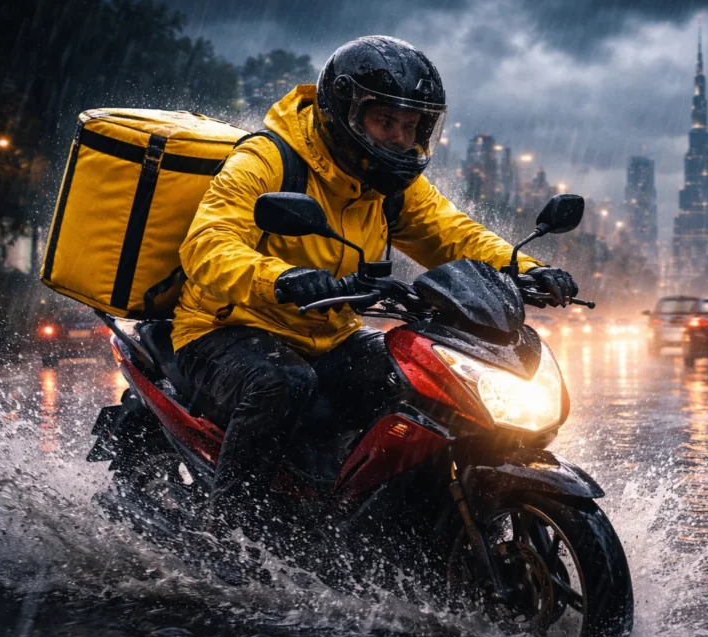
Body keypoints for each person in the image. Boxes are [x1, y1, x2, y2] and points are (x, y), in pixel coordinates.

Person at [170, 36, 578, 531]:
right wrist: (283, 278)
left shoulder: (388, 186)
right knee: (282, 383)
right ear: (344, 112)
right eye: (386, 121)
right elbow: (208, 243)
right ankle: (231, 529)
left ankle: (392, 524)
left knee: (414, 376)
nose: (400, 138)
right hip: (223, 329)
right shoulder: (269, 160)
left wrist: (526, 269)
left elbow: (451, 234)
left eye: (411, 126)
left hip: (327, 334)